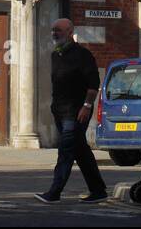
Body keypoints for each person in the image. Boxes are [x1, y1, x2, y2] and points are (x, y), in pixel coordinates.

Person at [34, 19, 107, 204]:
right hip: (60, 110)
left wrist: (87, 106)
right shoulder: (55, 55)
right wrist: (54, 107)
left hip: (76, 112)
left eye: (58, 30)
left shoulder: (83, 55)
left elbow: (93, 85)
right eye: (52, 30)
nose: (54, 33)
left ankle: (54, 192)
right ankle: (98, 190)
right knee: (80, 150)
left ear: (69, 31)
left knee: (66, 150)